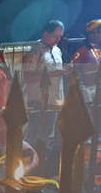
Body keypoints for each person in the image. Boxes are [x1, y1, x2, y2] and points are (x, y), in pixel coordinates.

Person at [23, 20, 72, 148]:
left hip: (54, 99)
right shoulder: (34, 51)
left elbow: (56, 71)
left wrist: (65, 69)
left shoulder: (57, 51)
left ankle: (43, 157)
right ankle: (32, 160)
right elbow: (28, 77)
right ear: (46, 34)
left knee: (47, 132)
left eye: (60, 36)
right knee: (35, 134)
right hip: (39, 99)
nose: (58, 39)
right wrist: (52, 74)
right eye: (56, 36)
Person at [71, 18, 101, 86]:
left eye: (99, 32)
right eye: (93, 33)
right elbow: (72, 69)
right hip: (90, 89)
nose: (96, 35)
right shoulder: (82, 50)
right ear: (88, 35)